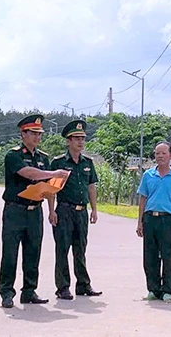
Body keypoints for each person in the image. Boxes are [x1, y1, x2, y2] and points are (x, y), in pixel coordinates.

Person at [0, 114, 71, 308]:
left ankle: (29, 291)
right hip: (15, 210)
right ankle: (7, 293)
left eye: (40, 133)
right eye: (34, 133)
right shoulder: (13, 155)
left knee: (33, 252)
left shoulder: (43, 158)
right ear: (23, 134)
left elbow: (48, 187)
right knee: (10, 253)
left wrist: (51, 209)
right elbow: (28, 173)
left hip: (35, 211)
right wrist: (54, 173)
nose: (38, 137)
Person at [47, 119, 102, 299]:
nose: (80, 142)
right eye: (76, 138)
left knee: (81, 249)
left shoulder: (87, 162)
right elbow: (52, 189)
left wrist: (94, 209)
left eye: (82, 138)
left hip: (81, 211)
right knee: (62, 249)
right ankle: (63, 286)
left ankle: (83, 284)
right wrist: (51, 210)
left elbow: (91, 186)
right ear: (68, 141)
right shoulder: (59, 163)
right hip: (64, 210)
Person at [136, 141, 171, 303]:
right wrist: (140, 222)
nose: (160, 156)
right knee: (149, 256)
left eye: (164, 153)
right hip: (150, 218)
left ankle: (168, 290)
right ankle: (153, 289)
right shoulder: (148, 175)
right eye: (157, 153)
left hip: (169, 219)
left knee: (167, 255)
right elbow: (143, 198)